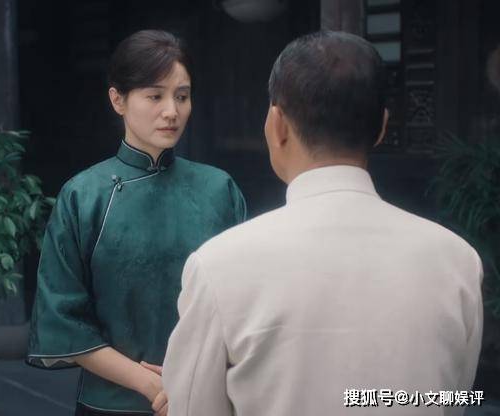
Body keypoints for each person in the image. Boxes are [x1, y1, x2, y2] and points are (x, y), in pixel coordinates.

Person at [162, 30, 483, 416]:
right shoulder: (458, 261)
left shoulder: (218, 266)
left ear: (277, 124)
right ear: (382, 127)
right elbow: (451, 399)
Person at [26, 30, 246, 415]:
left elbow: (245, 304)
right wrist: (152, 385)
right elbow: (62, 320)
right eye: (155, 96)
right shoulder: (83, 196)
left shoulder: (219, 189)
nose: (171, 111)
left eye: (182, 96)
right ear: (118, 100)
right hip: (110, 404)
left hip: (207, 400)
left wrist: (195, 383)